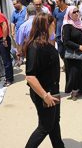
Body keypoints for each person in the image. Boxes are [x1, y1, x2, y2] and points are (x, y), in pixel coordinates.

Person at [24, 13, 65, 148]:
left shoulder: (46, 43)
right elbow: (30, 76)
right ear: (46, 25)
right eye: (53, 23)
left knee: (54, 123)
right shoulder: (35, 47)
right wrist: (45, 95)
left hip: (53, 90)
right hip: (44, 93)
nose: (55, 25)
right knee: (45, 127)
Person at [62, 6, 82, 100]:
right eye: (74, 12)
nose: (76, 13)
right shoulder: (67, 25)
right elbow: (66, 41)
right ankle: (74, 91)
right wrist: (79, 47)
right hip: (73, 53)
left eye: (77, 11)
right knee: (74, 72)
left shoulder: (81, 23)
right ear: (69, 14)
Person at [53, 0, 69, 65]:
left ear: (62, 1)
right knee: (60, 51)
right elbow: (54, 22)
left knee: (68, 51)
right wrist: (54, 33)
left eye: (57, 2)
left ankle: (68, 65)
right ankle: (65, 63)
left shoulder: (69, 9)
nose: (56, 3)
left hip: (68, 35)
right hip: (59, 35)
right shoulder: (56, 10)